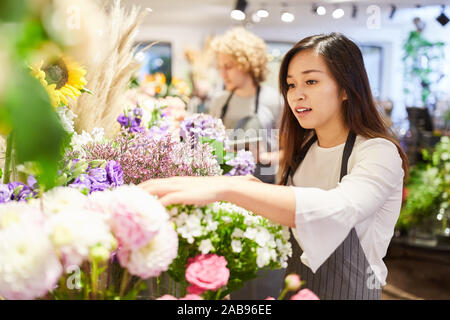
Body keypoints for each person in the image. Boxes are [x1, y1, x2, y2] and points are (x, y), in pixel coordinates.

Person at [139, 33, 409, 300]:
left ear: (347, 89)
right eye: (291, 85)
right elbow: (290, 220)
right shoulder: (304, 150)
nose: (297, 95)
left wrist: (229, 187)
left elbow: (338, 209)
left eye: (311, 81)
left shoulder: (378, 153)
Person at [207, 27, 282, 184]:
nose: (223, 74)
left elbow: (291, 151)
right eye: (220, 67)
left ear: (247, 64)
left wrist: (264, 157)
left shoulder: (274, 100)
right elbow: (210, 145)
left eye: (228, 67)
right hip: (225, 183)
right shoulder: (219, 102)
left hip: (262, 184)